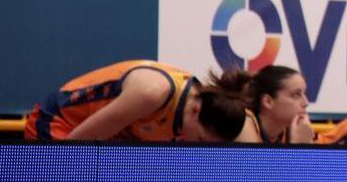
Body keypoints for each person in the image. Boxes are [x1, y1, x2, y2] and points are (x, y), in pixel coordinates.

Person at [24, 60, 249, 142]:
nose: (197, 147)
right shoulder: (152, 93)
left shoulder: (194, 110)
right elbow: (76, 148)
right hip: (58, 124)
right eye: (199, 140)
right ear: (195, 110)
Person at [221, 65, 314, 144]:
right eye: (296, 95)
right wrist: (299, 147)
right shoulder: (244, 123)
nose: (306, 103)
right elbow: (257, 165)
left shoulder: (292, 129)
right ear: (268, 102)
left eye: (304, 94)